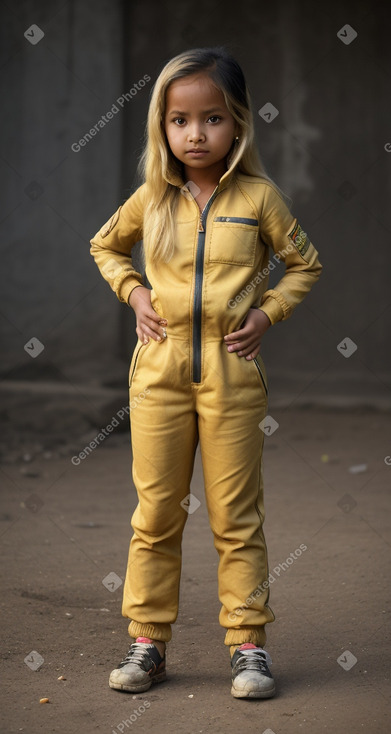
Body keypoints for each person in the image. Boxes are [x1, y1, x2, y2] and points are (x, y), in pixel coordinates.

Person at [90, 46, 322, 700]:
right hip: (157, 376)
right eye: (179, 120)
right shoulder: (152, 199)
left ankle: (248, 649)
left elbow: (305, 263)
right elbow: (105, 245)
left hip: (232, 376)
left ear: (239, 124)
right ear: (161, 128)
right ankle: (147, 643)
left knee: (235, 518)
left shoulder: (258, 198)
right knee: (155, 514)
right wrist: (134, 293)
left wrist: (269, 312)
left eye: (213, 118)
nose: (195, 133)